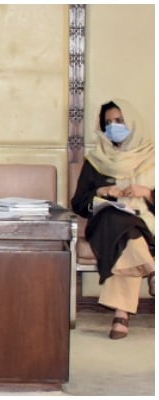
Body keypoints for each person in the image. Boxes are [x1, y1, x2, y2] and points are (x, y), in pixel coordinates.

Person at [71, 99, 155, 340]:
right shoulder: (96, 160)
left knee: (127, 237)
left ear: (133, 122)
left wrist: (147, 193)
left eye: (119, 121)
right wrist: (101, 192)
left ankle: (121, 315)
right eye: (108, 123)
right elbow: (78, 202)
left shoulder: (152, 156)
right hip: (104, 220)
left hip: (144, 222)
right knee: (115, 218)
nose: (113, 127)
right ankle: (151, 269)